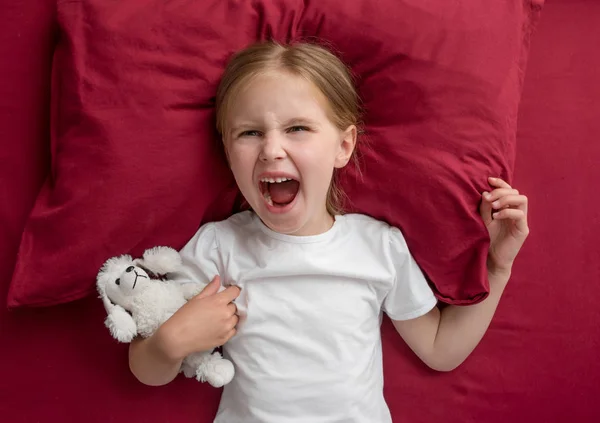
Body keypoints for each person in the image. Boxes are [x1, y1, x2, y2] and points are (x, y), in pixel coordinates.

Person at [128, 41, 529, 422]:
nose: (271, 150)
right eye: (249, 133)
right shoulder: (219, 247)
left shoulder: (378, 246)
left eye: (298, 128)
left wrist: (497, 266)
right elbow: (146, 368)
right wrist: (169, 342)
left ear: (344, 145)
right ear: (228, 151)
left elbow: (441, 350)